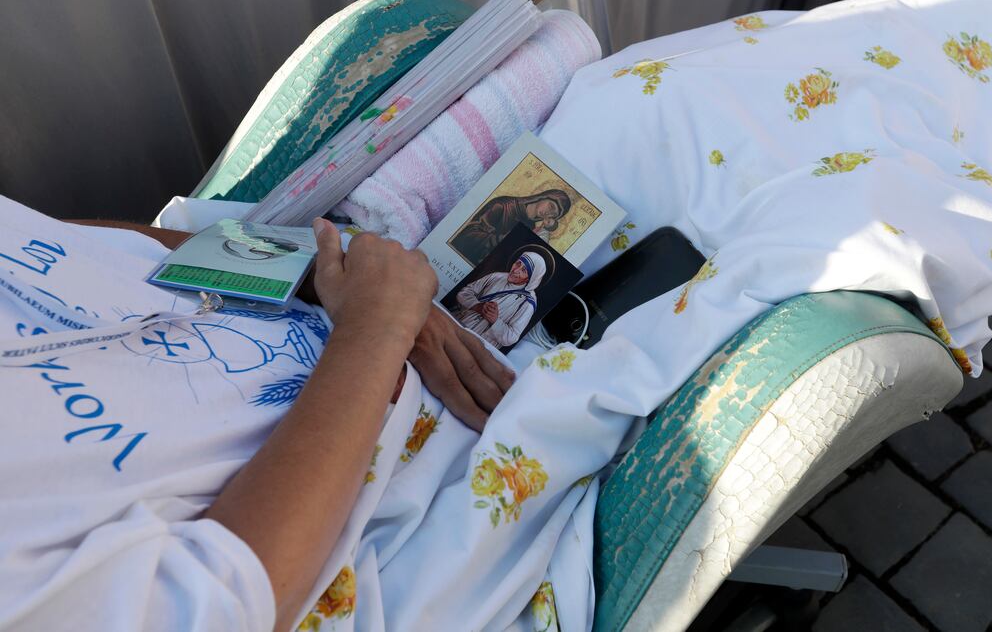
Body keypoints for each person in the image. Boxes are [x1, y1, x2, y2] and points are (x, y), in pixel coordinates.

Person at [0, 200, 515, 631]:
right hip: (426, 473)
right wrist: (376, 328)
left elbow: (56, 240)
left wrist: (306, 270)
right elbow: (220, 597)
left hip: (356, 297)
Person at [449, 186, 571, 265]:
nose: (548, 213)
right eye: (551, 206)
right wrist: (503, 240)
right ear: (544, 197)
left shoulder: (531, 228)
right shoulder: (504, 205)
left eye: (553, 215)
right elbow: (466, 236)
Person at [453, 251, 547, 348]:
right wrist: (477, 306)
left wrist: (495, 321)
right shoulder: (497, 276)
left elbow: (511, 337)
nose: (515, 270)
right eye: (518, 263)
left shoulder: (528, 303)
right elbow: (464, 293)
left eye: (524, 270)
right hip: (457, 327)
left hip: (478, 346)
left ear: (530, 279)